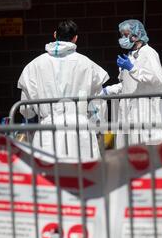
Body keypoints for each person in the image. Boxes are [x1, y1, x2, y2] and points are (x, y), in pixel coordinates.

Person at [17, 20, 109, 161]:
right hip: (80, 130)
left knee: (49, 177)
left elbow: (26, 108)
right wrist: (98, 127)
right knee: (82, 176)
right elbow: (98, 102)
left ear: (55, 35)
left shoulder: (34, 65)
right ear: (76, 38)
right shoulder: (87, 64)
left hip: (48, 131)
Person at [100, 19, 162, 148]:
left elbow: (158, 80)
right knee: (129, 151)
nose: (122, 38)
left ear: (136, 35)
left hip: (145, 111)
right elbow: (127, 85)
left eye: (126, 35)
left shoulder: (149, 53)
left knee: (145, 150)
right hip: (129, 112)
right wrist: (107, 90)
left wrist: (132, 68)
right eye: (121, 35)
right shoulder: (131, 55)